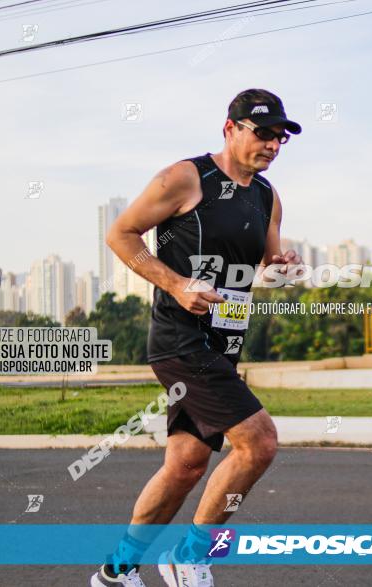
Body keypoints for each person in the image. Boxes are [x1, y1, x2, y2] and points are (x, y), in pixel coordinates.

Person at [91, 88, 302, 587]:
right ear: (230, 129)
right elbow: (121, 234)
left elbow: (267, 265)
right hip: (180, 340)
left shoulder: (267, 196)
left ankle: (116, 573)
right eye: (262, 132)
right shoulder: (185, 178)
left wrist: (282, 267)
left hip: (224, 344)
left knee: (185, 464)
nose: (272, 144)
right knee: (260, 443)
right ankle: (189, 556)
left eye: (280, 137)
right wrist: (177, 284)